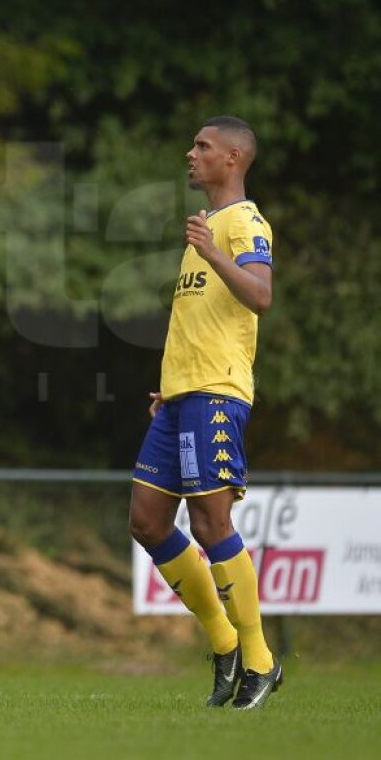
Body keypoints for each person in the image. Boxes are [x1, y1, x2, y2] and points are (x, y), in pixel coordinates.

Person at [129, 116, 281, 709]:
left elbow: (260, 295)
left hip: (217, 391)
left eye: (203, 146)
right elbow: (202, 319)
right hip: (182, 393)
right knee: (146, 519)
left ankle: (260, 662)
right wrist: (171, 386)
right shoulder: (208, 229)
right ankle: (223, 643)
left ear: (234, 157)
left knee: (212, 524)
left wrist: (215, 253)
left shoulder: (245, 222)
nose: (191, 154)